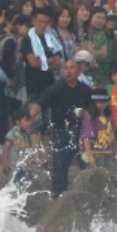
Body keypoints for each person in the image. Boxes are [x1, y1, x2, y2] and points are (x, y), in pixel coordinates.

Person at [31, 57, 92, 197]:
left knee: (85, 161)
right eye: (66, 68)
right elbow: (39, 104)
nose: (68, 71)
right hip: (60, 131)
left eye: (72, 68)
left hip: (81, 131)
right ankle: (58, 195)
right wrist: (28, 119)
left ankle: (88, 193)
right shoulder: (55, 89)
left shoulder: (85, 90)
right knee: (59, 164)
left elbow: (94, 112)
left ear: (78, 72)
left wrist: (85, 114)